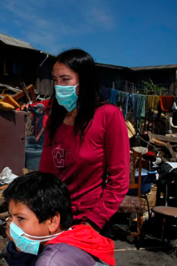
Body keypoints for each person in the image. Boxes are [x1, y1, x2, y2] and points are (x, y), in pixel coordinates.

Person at [39, 49, 129, 232]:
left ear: (84, 80)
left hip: (91, 220)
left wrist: (93, 222)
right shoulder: (54, 120)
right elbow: (46, 174)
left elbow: (119, 179)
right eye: (55, 80)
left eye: (65, 79)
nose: (59, 86)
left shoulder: (109, 116)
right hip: (56, 218)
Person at [4, 172, 115, 266]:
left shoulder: (50, 262)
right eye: (10, 216)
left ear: (53, 221)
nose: (11, 224)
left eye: (20, 218)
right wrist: (20, 247)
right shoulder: (76, 237)